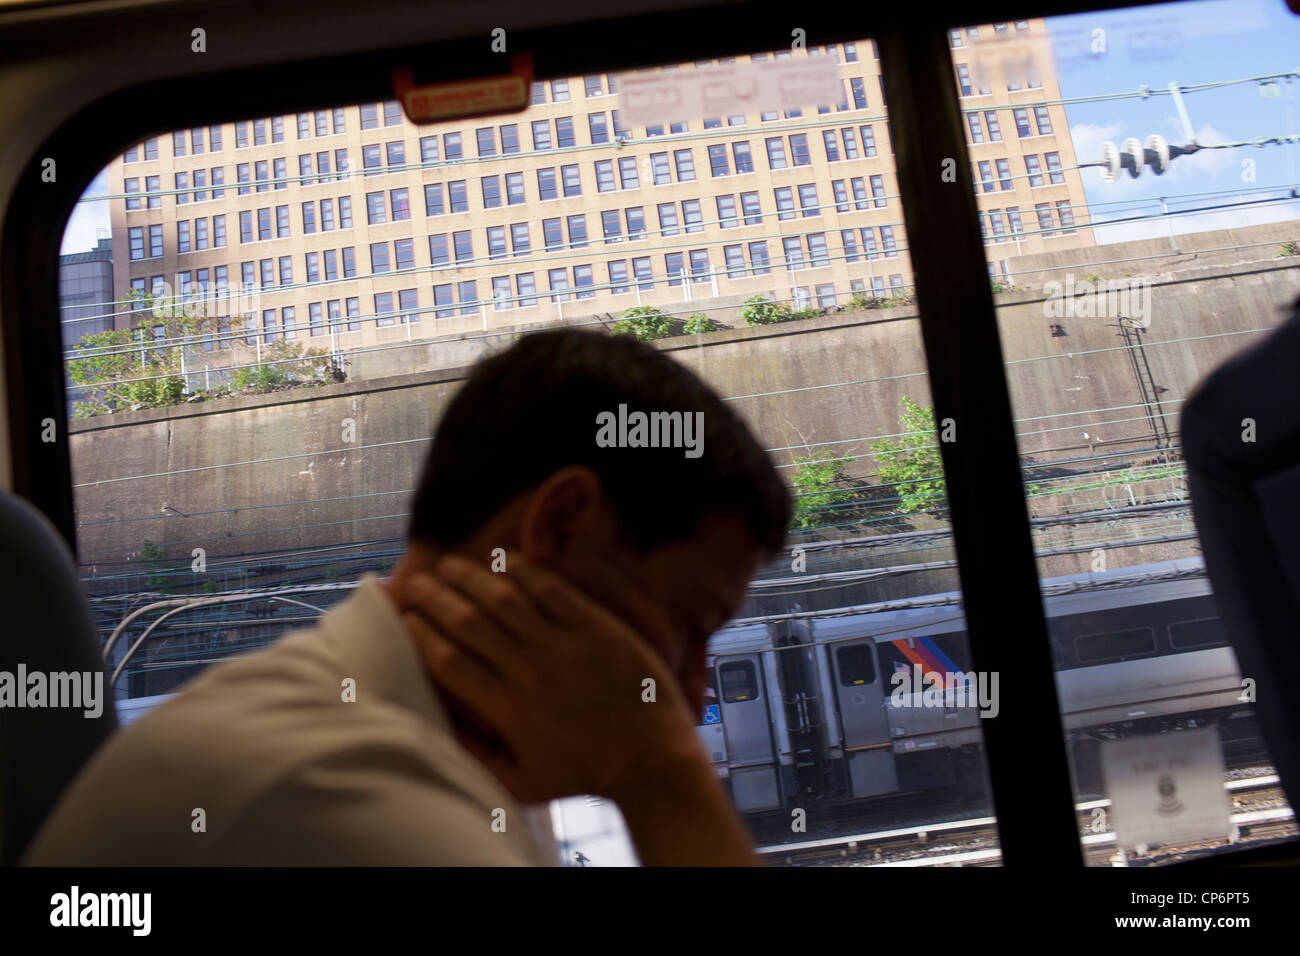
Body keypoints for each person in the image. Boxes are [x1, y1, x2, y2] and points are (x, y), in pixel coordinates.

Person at [23, 328, 792, 866]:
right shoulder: (333, 787)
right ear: (559, 526)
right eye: (690, 628)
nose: (689, 699)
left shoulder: (450, 750)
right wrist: (658, 774)